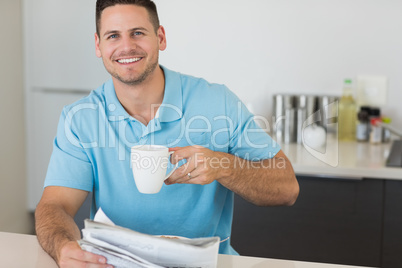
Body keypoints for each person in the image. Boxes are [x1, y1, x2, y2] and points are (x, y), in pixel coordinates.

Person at [35, 0, 299, 267]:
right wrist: (63, 248)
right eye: (113, 36)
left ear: (160, 37)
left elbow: (287, 188)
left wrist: (224, 166)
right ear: (98, 45)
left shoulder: (218, 102)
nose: (126, 46)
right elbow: (54, 206)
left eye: (138, 32)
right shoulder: (80, 118)